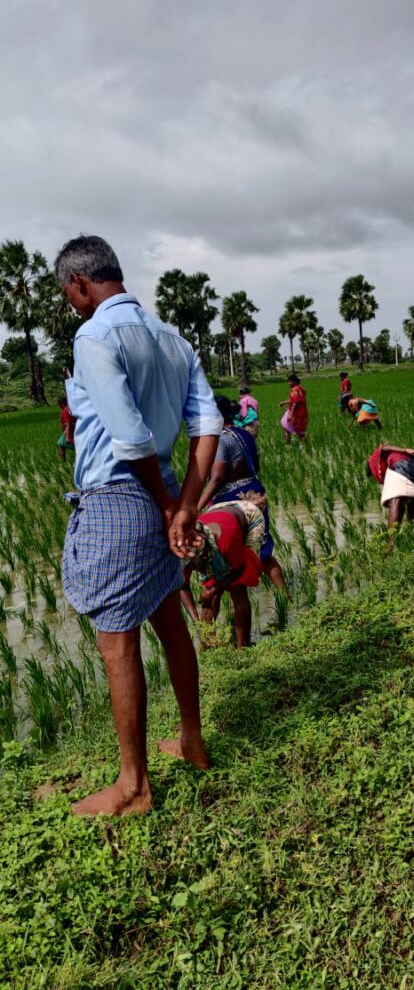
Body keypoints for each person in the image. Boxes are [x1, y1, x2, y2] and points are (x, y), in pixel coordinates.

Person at [54, 235, 223, 817]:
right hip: (166, 491)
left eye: (69, 294)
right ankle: (192, 741)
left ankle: (133, 786)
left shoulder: (94, 335)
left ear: (80, 283)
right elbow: (208, 427)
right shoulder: (174, 339)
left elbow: (129, 438)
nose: (73, 304)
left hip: (119, 501)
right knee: (168, 620)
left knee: (117, 642)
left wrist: (167, 505)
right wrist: (186, 504)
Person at [198, 396, 286, 593]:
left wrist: (197, 506)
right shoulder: (246, 434)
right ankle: (284, 597)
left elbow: (218, 477)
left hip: (232, 499)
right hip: (256, 492)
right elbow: (257, 464)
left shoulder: (220, 439)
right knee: (264, 552)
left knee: (233, 556)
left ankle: (239, 601)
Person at [182, 500, 265, 647]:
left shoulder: (226, 543)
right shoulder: (184, 548)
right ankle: (208, 646)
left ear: (202, 555)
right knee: (208, 598)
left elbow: (239, 570)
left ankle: (243, 647)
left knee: (238, 589)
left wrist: (215, 589)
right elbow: (182, 586)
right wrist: (197, 623)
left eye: (196, 565)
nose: (195, 570)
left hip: (248, 516)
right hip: (216, 512)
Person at [367, 444, 414, 530]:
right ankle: (413, 532)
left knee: (394, 502)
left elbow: (383, 447)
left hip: (401, 465)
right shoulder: (391, 459)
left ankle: (392, 540)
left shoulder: (372, 460)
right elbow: (401, 508)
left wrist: (405, 450)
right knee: (412, 499)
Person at [278, 374, 308, 443]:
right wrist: (284, 402)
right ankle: (303, 447)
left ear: (294, 382)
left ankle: (288, 444)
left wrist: (290, 414)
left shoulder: (294, 390)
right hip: (302, 413)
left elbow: (295, 403)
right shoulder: (300, 388)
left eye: (290, 382)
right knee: (300, 431)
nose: (288, 383)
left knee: (286, 427)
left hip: (296, 413)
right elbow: (294, 400)